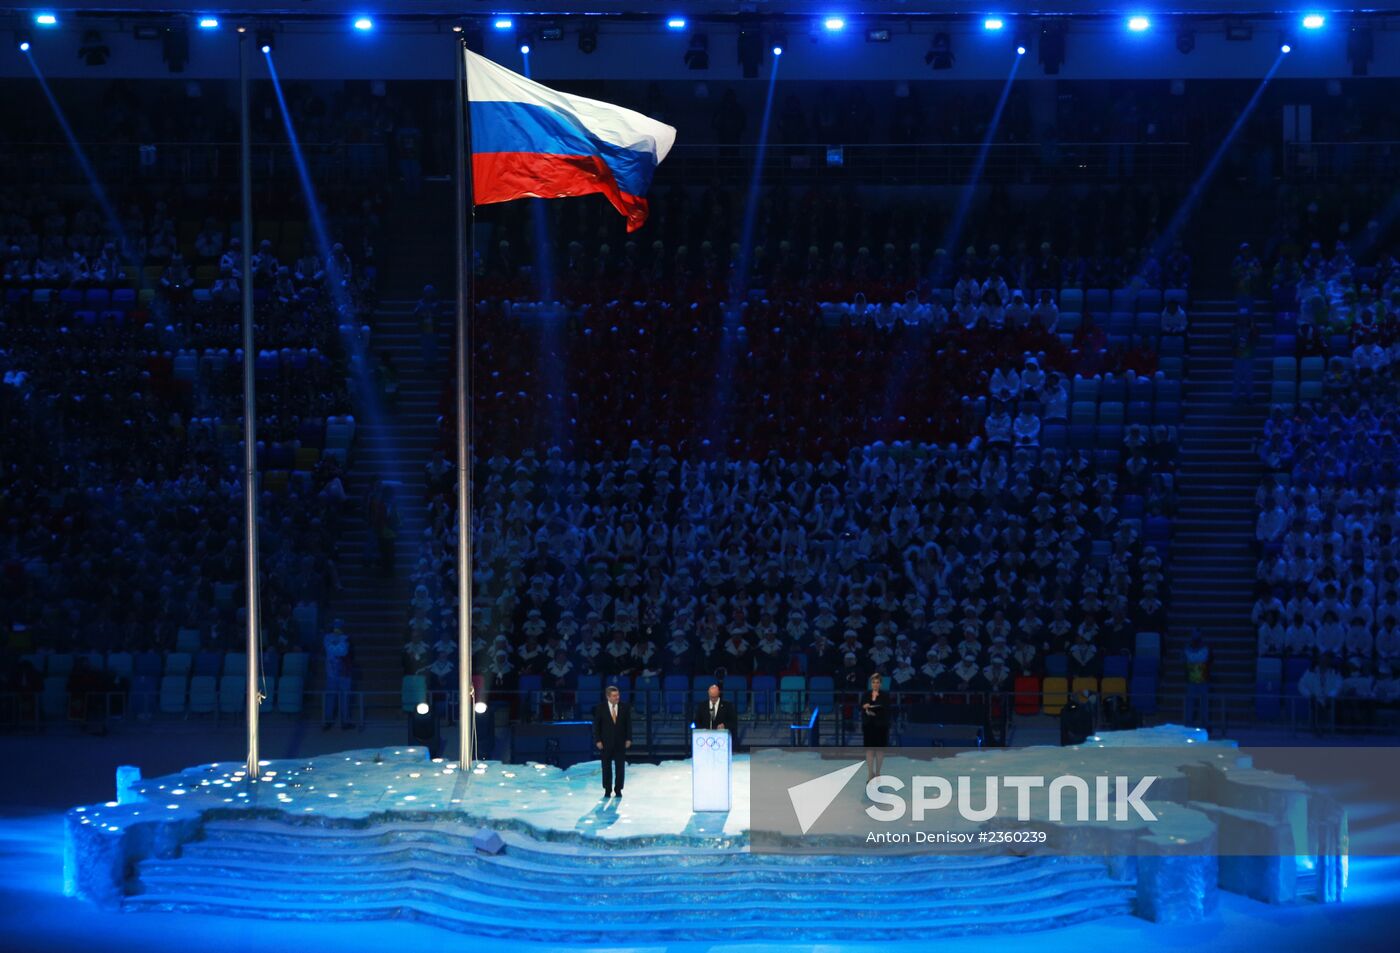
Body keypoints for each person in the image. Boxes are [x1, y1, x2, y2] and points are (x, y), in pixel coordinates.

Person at [591, 685, 632, 798]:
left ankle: (618, 789)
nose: (617, 697)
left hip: (620, 742)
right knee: (606, 767)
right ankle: (607, 789)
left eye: (618, 695)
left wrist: (629, 738)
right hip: (605, 743)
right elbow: (596, 726)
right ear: (608, 697)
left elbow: (628, 724)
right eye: (614, 696)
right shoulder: (600, 708)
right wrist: (598, 740)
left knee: (620, 767)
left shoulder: (624, 707)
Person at [860, 672, 892, 782]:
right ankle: (870, 773)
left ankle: (878, 773)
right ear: (871, 683)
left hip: (881, 726)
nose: (875, 684)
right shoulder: (866, 695)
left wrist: (876, 713)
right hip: (868, 725)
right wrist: (865, 708)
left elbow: (886, 710)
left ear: (881, 684)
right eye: (873, 682)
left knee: (879, 751)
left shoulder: (885, 696)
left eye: (877, 682)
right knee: (869, 751)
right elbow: (862, 706)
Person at [323, 621, 353, 730]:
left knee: (345, 697)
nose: (337, 629)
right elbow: (330, 651)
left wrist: (337, 645)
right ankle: (328, 721)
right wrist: (338, 644)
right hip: (331, 673)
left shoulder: (346, 638)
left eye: (339, 627)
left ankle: (345, 721)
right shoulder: (327, 638)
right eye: (335, 627)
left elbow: (343, 652)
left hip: (345, 672)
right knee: (330, 697)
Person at [1183, 629, 1211, 731]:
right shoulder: (1186, 648)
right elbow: (1192, 658)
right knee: (1190, 703)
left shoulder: (1206, 648)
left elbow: (1200, 658)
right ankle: (1189, 725)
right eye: (1194, 635)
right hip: (1191, 680)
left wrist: (1194, 657)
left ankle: (1204, 724)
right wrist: (1194, 657)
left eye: (1197, 636)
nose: (1195, 638)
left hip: (1203, 680)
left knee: (1204, 704)